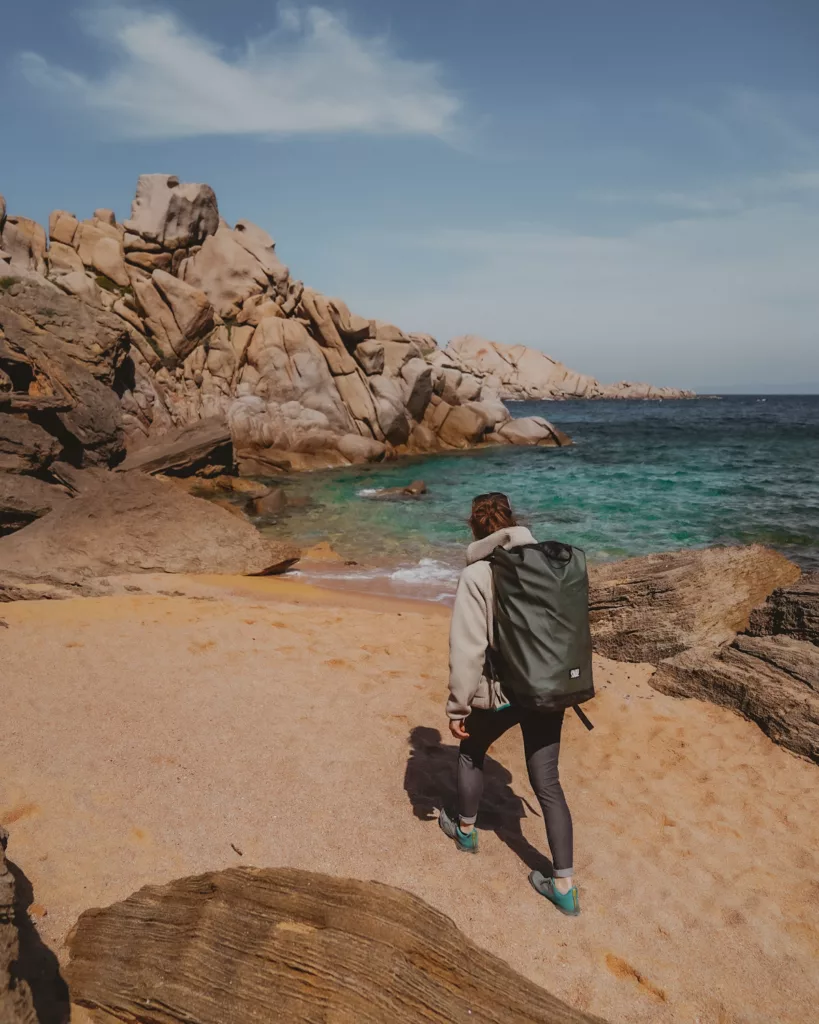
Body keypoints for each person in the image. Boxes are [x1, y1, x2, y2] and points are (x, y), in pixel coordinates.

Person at [439, 492, 580, 916]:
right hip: (546, 690)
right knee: (548, 782)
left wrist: (457, 708)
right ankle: (565, 886)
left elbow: (468, 650)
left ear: (475, 528)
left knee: (470, 753)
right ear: (514, 521)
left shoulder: (478, 574)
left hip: (501, 693)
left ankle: (466, 832)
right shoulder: (549, 564)